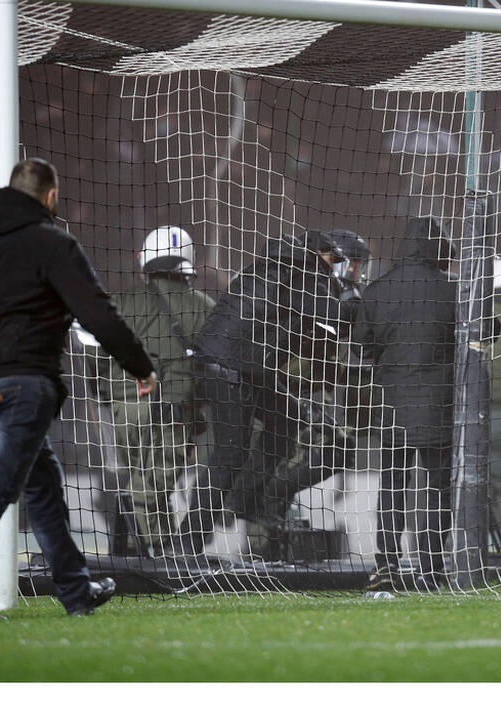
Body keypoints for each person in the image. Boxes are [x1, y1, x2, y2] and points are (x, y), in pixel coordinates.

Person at [0, 157, 158, 619]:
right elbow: (97, 312)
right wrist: (139, 366)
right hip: (27, 384)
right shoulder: (52, 243)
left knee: (44, 488)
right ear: (50, 197)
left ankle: (75, 590)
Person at [194, 229, 349, 557]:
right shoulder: (301, 276)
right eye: (337, 261)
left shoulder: (279, 269)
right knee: (229, 453)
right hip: (230, 367)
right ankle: (189, 539)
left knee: (286, 417)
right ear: (323, 256)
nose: (341, 270)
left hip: (241, 366)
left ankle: (251, 502)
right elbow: (338, 317)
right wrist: (353, 300)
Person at [353, 216, 458, 593]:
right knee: (437, 489)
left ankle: (387, 566)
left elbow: (361, 344)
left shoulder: (378, 291)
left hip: (392, 406)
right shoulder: (451, 291)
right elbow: (485, 331)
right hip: (438, 406)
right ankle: (432, 568)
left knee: (393, 486)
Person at [102, 226, 216, 558]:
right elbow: (210, 367)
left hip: (126, 409)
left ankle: (161, 552)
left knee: (144, 481)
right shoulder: (204, 306)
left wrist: (107, 397)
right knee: (152, 487)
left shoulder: (121, 303)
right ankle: (162, 554)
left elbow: (97, 356)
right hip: (174, 412)